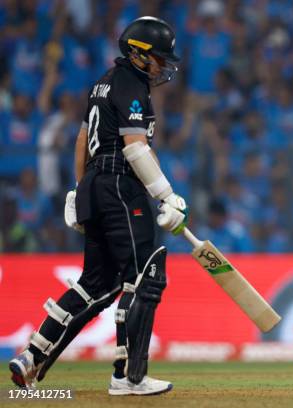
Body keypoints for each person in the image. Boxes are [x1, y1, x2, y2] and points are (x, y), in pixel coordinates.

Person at [8, 16, 189, 396]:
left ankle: (32, 355)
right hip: (121, 185)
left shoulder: (102, 84)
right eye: (158, 58)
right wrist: (166, 195)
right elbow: (135, 147)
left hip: (95, 183)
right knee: (144, 277)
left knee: (98, 283)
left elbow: (81, 137)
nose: (163, 66)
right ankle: (128, 377)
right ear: (138, 55)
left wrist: (79, 189)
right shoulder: (131, 84)